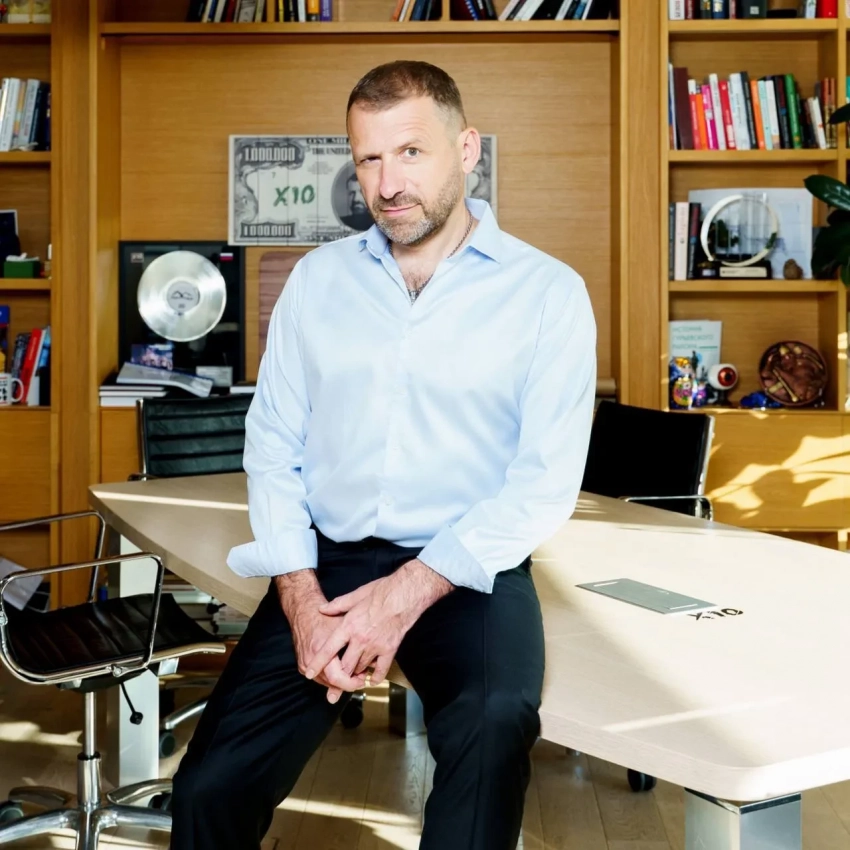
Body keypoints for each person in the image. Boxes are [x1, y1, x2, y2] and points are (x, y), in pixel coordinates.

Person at [169, 59, 597, 850]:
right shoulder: (316, 282)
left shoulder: (548, 294)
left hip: (466, 567)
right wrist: (300, 599)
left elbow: (542, 486)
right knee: (208, 786)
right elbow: (273, 443)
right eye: (368, 158)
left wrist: (402, 597)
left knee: (495, 722)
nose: (388, 183)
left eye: (410, 152)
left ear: (466, 149)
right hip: (326, 566)